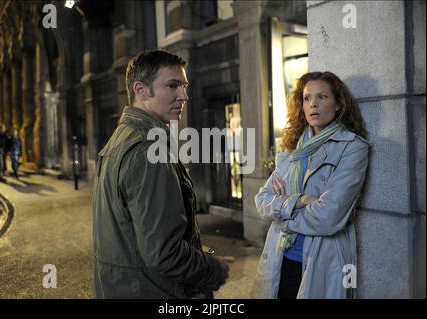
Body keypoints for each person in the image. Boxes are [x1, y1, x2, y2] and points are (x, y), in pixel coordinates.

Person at [93, 49, 229, 298]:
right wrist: (213, 269)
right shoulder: (147, 149)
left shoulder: (121, 138)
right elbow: (164, 254)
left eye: (184, 86)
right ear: (140, 90)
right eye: (172, 85)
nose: (184, 95)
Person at [252, 71, 370, 299]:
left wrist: (283, 210)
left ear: (338, 105)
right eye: (306, 98)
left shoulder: (352, 148)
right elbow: (261, 201)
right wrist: (301, 200)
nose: (313, 104)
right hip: (281, 256)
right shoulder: (290, 152)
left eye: (322, 97)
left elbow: (329, 216)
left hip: (321, 259)